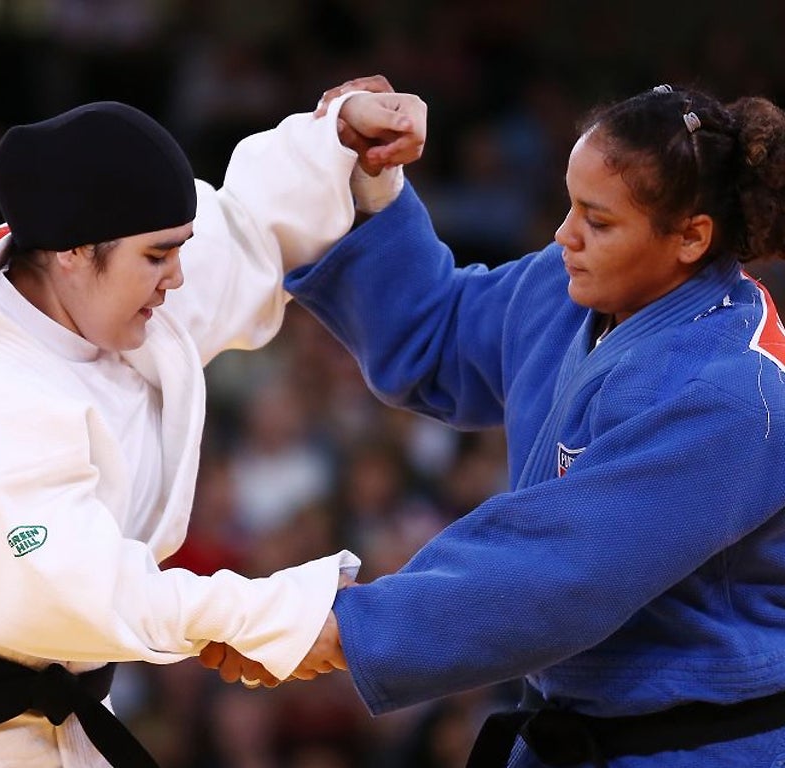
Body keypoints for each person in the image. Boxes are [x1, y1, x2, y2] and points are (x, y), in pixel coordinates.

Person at [0, 89, 427, 768]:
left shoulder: (53, 267)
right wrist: (273, 617)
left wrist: (339, 143)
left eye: (178, 250)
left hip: (0, 697)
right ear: (75, 252)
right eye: (157, 257)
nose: (176, 278)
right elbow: (81, 590)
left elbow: (245, 229)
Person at [213, 75, 785, 766]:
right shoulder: (568, 288)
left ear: (691, 238)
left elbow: (564, 568)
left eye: (598, 221)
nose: (564, 234)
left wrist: (346, 627)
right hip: (569, 731)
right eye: (570, 205)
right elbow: (438, 332)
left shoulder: (736, 391)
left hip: (703, 748)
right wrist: (367, 182)